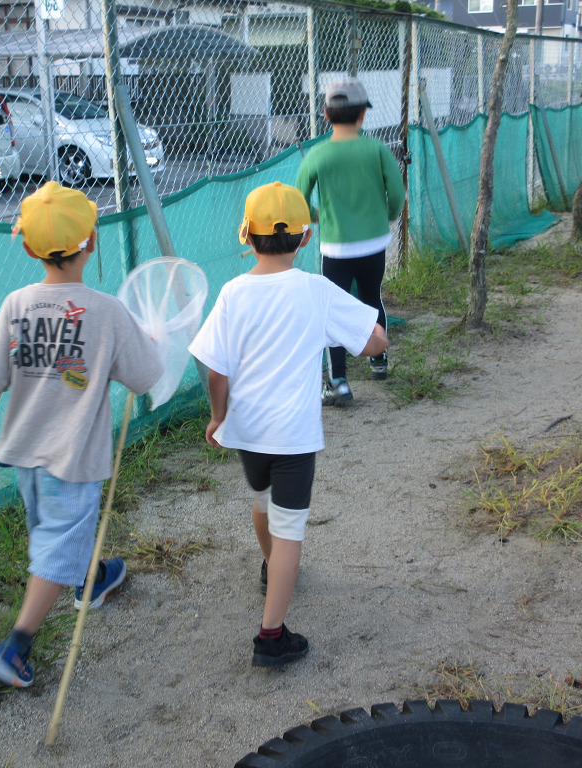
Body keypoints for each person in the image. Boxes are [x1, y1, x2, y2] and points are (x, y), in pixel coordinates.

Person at [0, 181, 163, 688]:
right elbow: (145, 376)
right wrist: (149, 341)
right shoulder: (107, 311)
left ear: (28, 247)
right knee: (57, 543)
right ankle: (17, 644)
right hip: (70, 459)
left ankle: (92, 578)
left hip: (24, 453)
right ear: (91, 241)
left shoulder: (17, 304)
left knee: (55, 533)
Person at [189, 182, 388, 667]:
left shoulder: (233, 292)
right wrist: (373, 334)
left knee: (263, 503)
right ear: (304, 239)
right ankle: (271, 635)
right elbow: (374, 341)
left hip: (248, 432)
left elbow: (216, 370)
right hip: (293, 438)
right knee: (291, 530)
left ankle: (270, 565)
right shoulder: (316, 290)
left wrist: (219, 416)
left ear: (247, 237)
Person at [295, 76, 405, 406]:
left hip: (335, 247)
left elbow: (299, 201)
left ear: (326, 116)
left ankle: (339, 382)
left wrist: (319, 215)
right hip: (373, 243)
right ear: (363, 115)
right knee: (372, 296)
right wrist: (384, 214)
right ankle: (379, 360)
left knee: (333, 309)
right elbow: (397, 194)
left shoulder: (317, 155)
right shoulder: (377, 149)